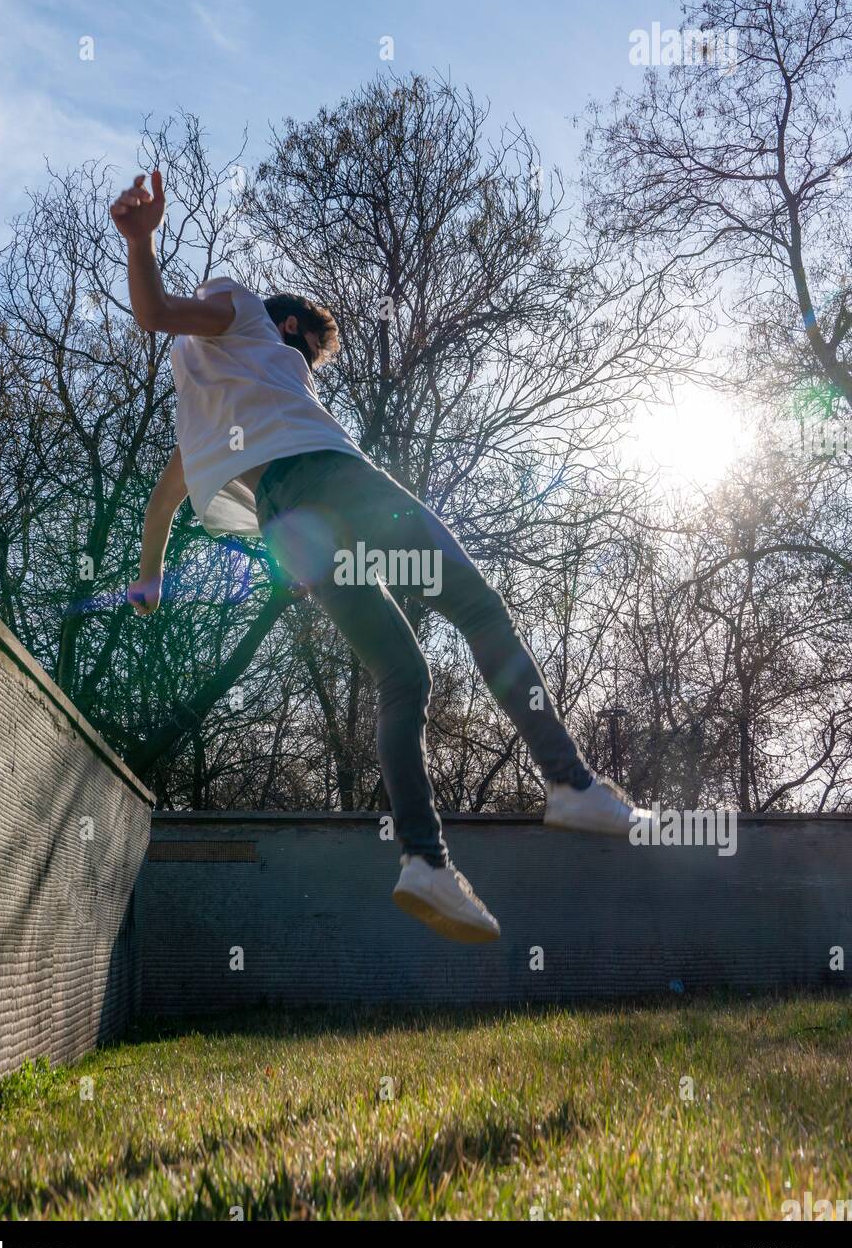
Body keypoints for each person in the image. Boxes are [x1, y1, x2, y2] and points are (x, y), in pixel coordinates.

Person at [112, 171, 651, 944]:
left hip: (287, 525)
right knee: (475, 604)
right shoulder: (244, 309)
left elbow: (161, 503)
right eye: (312, 360)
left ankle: (423, 860)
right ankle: (569, 781)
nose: (307, 374)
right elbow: (159, 310)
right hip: (331, 481)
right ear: (290, 329)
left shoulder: (204, 413)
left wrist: (150, 579)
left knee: (401, 674)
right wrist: (142, 242)